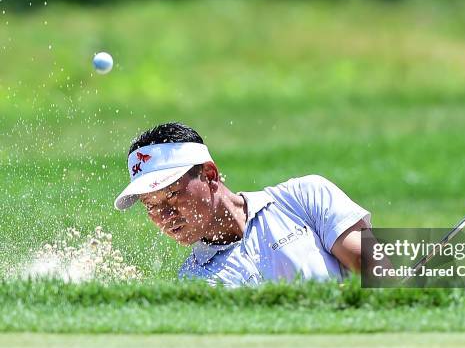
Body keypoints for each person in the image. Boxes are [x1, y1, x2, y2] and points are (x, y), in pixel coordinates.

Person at [114, 122, 371, 286]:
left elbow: (377, 269)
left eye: (172, 194)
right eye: (150, 205)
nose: (165, 215)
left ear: (210, 175)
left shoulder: (304, 195)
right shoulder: (195, 280)